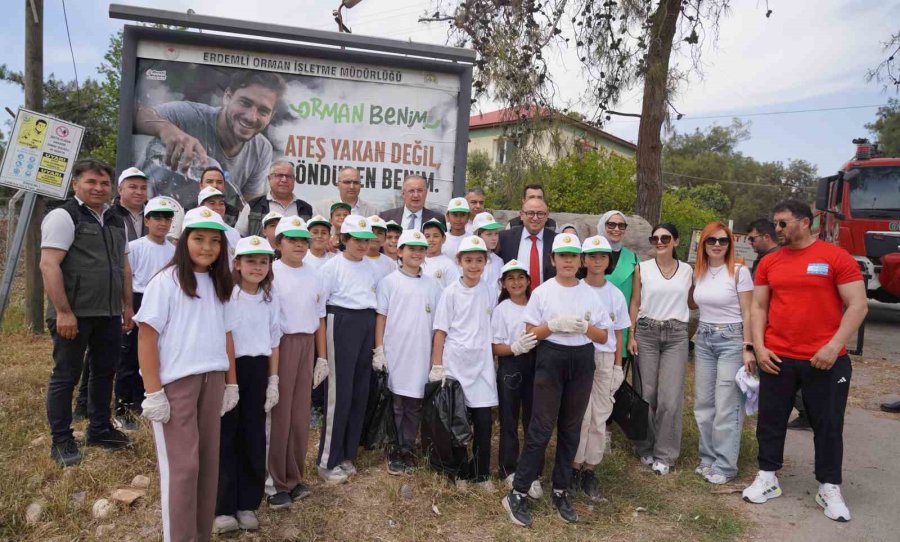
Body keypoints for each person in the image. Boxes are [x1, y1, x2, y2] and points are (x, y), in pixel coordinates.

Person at [742, 199, 867, 523]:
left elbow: (857, 306)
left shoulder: (835, 257)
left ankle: (829, 486)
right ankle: (767, 477)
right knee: (770, 421)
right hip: (778, 357)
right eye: (776, 223)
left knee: (827, 425)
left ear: (804, 222)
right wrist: (759, 346)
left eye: (783, 223)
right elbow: (759, 308)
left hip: (825, 361)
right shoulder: (770, 262)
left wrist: (834, 346)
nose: (777, 229)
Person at [134, 206, 239, 542]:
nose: (206, 247)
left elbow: (227, 336)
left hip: (213, 381)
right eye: (198, 239)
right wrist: (154, 392)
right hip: (177, 385)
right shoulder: (165, 282)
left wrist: (231, 383)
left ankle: (199, 535)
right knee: (183, 470)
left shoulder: (223, 283)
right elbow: (146, 336)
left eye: (214, 241)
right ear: (184, 240)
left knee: (207, 466)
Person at [502, 233, 609, 528]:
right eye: (562, 255)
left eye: (573, 256)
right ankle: (518, 492)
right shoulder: (543, 293)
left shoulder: (591, 293)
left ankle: (560, 489)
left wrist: (586, 327)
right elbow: (529, 333)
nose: (568, 261)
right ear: (553, 260)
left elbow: (604, 335)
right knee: (541, 427)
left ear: (581, 261)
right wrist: (551, 326)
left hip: (582, 360)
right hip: (550, 358)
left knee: (571, 428)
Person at [40, 158, 133, 466]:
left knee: (105, 371)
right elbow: (49, 264)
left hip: (107, 312)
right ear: (76, 183)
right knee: (66, 375)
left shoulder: (116, 218)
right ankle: (62, 440)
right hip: (73, 313)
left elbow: (124, 265)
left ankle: (100, 429)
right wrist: (63, 312)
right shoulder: (64, 216)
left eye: (104, 183)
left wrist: (127, 306)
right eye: (91, 181)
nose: (98, 187)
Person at [215, 236, 281, 533]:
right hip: (231, 368)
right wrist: (229, 383)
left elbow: (275, 340)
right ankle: (223, 506)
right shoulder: (226, 294)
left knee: (254, 435)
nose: (257, 267)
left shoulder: (270, 297)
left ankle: (247, 503)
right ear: (237, 264)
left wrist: (273, 380)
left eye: (263, 262)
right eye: (251, 261)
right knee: (226, 435)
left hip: (258, 368)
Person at [135, 71, 287, 200]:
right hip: (147, 214)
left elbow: (248, 207)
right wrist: (165, 129)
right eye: (245, 103)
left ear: (271, 116)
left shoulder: (262, 149)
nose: (251, 117)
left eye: (263, 111)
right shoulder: (190, 115)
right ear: (227, 97)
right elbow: (135, 115)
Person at [75, 166, 150, 421]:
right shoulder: (110, 214)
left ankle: (128, 402)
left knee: (128, 349)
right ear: (120, 190)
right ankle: (84, 403)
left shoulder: (153, 213)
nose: (138, 192)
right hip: (110, 286)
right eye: (132, 187)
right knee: (98, 349)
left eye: (142, 187)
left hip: (141, 291)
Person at [268, 217, 331, 506]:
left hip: (307, 345)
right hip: (280, 345)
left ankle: (294, 477)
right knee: (278, 416)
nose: (298, 245)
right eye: (291, 239)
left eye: (303, 240)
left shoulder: (315, 274)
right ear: (278, 243)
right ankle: (274, 483)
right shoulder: (271, 273)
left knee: (299, 416)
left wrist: (322, 357)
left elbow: (319, 317)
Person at [430, 235, 499, 491]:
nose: (473, 265)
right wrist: (438, 366)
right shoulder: (449, 293)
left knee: (482, 422)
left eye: (479, 260)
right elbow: (440, 332)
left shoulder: (490, 291)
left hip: (481, 366)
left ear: (485, 263)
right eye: (468, 260)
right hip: (456, 365)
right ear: (459, 261)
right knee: (458, 422)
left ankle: (481, 474)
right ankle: (460, 472)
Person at [688, 222, 755, 485]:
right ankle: (707, 458)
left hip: (731, 339)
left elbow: (749, 312)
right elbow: (693, 302)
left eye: (723, 240)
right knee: (703, 404)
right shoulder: (699, 272)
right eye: (711, 240)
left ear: (730, 244)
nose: (717, 245)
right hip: (704, 338)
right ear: (703, 244)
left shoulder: (739, 272)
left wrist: (748, 348)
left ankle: (726, 465)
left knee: (726, 405)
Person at [316, 215, 379, 483]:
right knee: (338, 393)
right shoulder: (331, 267)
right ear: (344, 240)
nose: (363, 245)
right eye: (357, 240)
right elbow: (320, 306)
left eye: (367, 240)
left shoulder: (372, 268)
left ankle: (346, 453)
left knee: (359, 391)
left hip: (366, 320)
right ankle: (327, 460)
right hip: (340, 321)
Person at [375, 229, 442, 475]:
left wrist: (437, 360)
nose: (416, 253)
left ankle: (408, 448)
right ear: (400, 251)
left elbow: (438, 325)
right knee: (396, 404)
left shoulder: (433, 285)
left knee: (414, 405)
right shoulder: (389, 282)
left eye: (421, 249)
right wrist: (379, 349)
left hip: (421, 354)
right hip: (396, 353)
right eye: (411, 248)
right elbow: (381, 318)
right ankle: (393, 449)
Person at [627, 223, 692, 476]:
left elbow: (696, 298)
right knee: (647, 394)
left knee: (670, 398)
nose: (660, 242)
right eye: (655, 238)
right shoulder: (641, 268)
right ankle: (646, 447)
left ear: (676, 241)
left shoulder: (688, 270)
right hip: (646, 331)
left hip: (676, 334)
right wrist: (631, 335)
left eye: (665, 238)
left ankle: (665, 454)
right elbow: (635, 303)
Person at [572, 235, 630, 500]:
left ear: (608, 261)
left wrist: (618, 365)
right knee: (579, 415)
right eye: (592, 256)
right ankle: (573, 466)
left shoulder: (614, 294)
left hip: (605, 360)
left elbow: (619, 332)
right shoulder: (575, 288)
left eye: (602, 257)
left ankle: (589, 469)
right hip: (580, 357)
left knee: (599, 415)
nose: (597, 261)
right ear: (583, 260)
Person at [115, 197, 177, 432]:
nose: (163, 223)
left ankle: (145, 403)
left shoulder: (174, 250)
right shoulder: (135, 246)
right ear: (147, 220)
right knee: (129, 356)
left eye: (167, 218)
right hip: (139, 301)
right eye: (157, 218)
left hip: (164, 305)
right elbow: (127, 279)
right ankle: (122, 408)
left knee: (155, 357)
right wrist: (127, 307)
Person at [749, 218, 808, 430]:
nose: (750, 243)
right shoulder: (765, 259)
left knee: (778, 371)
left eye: (752, 238)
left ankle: (806, 410)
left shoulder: (776, 259)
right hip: (765, 325)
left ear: (766, 237)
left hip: (773, 327)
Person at [492, 260, 542, 498]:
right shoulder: (501, 309)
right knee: (509, 420)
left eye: (521, 277)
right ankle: (508, 469)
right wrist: (514, 347)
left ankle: (533, 472)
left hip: (536, 364)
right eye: (510, 278)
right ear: (503, 284)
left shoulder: (537, 305)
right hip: (511, 366)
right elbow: (496, 347)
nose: (516, 282)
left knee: (533, 420)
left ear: (529, 281)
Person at [597, 210, 640, 360]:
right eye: (611, 224)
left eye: (621, 225)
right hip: (592, 328)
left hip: (619, 330)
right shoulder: (590, 254)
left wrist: (632, 334)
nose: (616, 229)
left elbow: (635, 301)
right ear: (603, 225)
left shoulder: (633, 259)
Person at [235, 161, 313, 237]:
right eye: (279, 175)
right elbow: (238, 237)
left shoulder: (307, 209)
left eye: (289, 176)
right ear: (269, 179)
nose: (284, 180)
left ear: (294, 180)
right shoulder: (253, 207)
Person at [498, 198, 557, 289]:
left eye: (540, 214)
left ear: (547, 216)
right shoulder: (504, 238)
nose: (535, 218)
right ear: (521, 215)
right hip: (514, 300)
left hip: (548, 300)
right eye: (530, 213)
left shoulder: (556, 241)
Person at [378, 174, 444, 230]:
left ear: (426, 193)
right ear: (403, 194)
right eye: (411, 191)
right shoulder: (386, 217)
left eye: (420, 190)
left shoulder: (438, 219)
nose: (416, 195)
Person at [315, 166, 380, 218]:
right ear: (338, 185)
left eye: (355, 182)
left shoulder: (373, 212)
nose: (352, 186)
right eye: (347, 182)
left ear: (360, 185)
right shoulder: (322, 209)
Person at [198, 186, 240, 264]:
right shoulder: (193, 230)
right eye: (212, 203)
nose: (218, 207)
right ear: (200, 207)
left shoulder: (234, 233)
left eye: (221, 203)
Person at [472, 212, 504, 299]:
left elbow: (500, 287)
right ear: (477, 235)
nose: (494, 238)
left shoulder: (498, 261)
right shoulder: (468, 260)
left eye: (496, 233)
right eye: (489, 234)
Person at [421, 218, 460, 288]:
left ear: (443, 239)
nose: (431, 240)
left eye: (436, 236)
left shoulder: (448, 265)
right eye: (427, 236)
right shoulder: (417, 261)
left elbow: (455, 291)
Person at [366, 215, 397, 281]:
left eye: (379, 233)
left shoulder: (390, 263)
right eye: (371, 231)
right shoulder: (355, 258)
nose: (374, 236)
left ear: (385, 238)